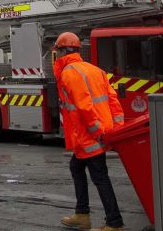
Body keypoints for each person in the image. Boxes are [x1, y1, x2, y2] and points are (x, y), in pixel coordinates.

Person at [55, 32, 125, 231]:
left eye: (58, 52)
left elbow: (85, 107)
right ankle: (82, 214)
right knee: (77, 168)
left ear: (62, 51)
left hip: (89, 136)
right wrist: (115, 130)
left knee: (100, 177)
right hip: (98, 134)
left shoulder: (69, 73)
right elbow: (113, 101)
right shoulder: (95, 70)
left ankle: (114, 222)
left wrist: (97, 133)